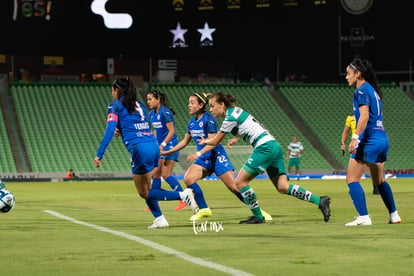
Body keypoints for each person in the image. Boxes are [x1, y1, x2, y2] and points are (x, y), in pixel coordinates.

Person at [199, 92, 331, 224]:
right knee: (283, 187)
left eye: (212, 105)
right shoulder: (237, 111)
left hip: (265, 147)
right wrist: (235, 138)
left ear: (222, 104)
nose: (210, 109)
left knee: (239, 183)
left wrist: (204, 141)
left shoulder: (230, 117)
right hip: (274, 146)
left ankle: (258, 216)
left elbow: (215, 141)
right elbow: (249, 126)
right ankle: (320, 201)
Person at [93, 77, 198, 229]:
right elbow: (145, 125)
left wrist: (99, 153)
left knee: (144, 192)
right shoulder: (140, 105)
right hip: (153, 146)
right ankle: (160, 219)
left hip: (139, 149)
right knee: (148, 187)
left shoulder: (114, 105)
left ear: (116, 90)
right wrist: (123, 129)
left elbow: (110, 129)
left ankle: (182, 195)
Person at [161, 92, 273, 222]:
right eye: (189, 103)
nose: (189, 105)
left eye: (192, 103)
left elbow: (213, 142)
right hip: (204, 159)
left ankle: (259, 212)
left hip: (217, 157)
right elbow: (184, 142)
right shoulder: (191, 123)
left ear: (201, 105)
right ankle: (204, 210)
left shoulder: (208, 119)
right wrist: (168, 151)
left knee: (234, 187)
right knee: (189, 179)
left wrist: (197, 154)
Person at [344, 58, 401, 226]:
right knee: (379, 181)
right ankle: (394, 215)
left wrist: (355, 138)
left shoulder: (361, 90)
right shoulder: (373, 90)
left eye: (348, 73)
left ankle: (363, 217)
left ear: (358, 74)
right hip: (382, 139)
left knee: (352, 179)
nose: (346, 77)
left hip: (368, 140)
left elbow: (365, 116)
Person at [147, 89, 187, 211]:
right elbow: (156, 130)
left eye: (150, 99)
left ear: (158, 99)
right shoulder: (151, 114)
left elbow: (171, 131)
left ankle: (183, 198)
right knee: (156, 173)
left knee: (166, 174)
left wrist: (163, 144)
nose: (148, 102)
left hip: (171, 146)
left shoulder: (165, 112)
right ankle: (154, 201)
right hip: (160, 146)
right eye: (147, 99)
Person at [340, 113, 380, 195]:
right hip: (356, 145)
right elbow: (346, 131)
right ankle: (354, 187)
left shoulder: (368, 115)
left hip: (368, 142)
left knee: (372, 165)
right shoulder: (350, 118)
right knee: (354, 166)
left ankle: (376, 187)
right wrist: (343, 143)